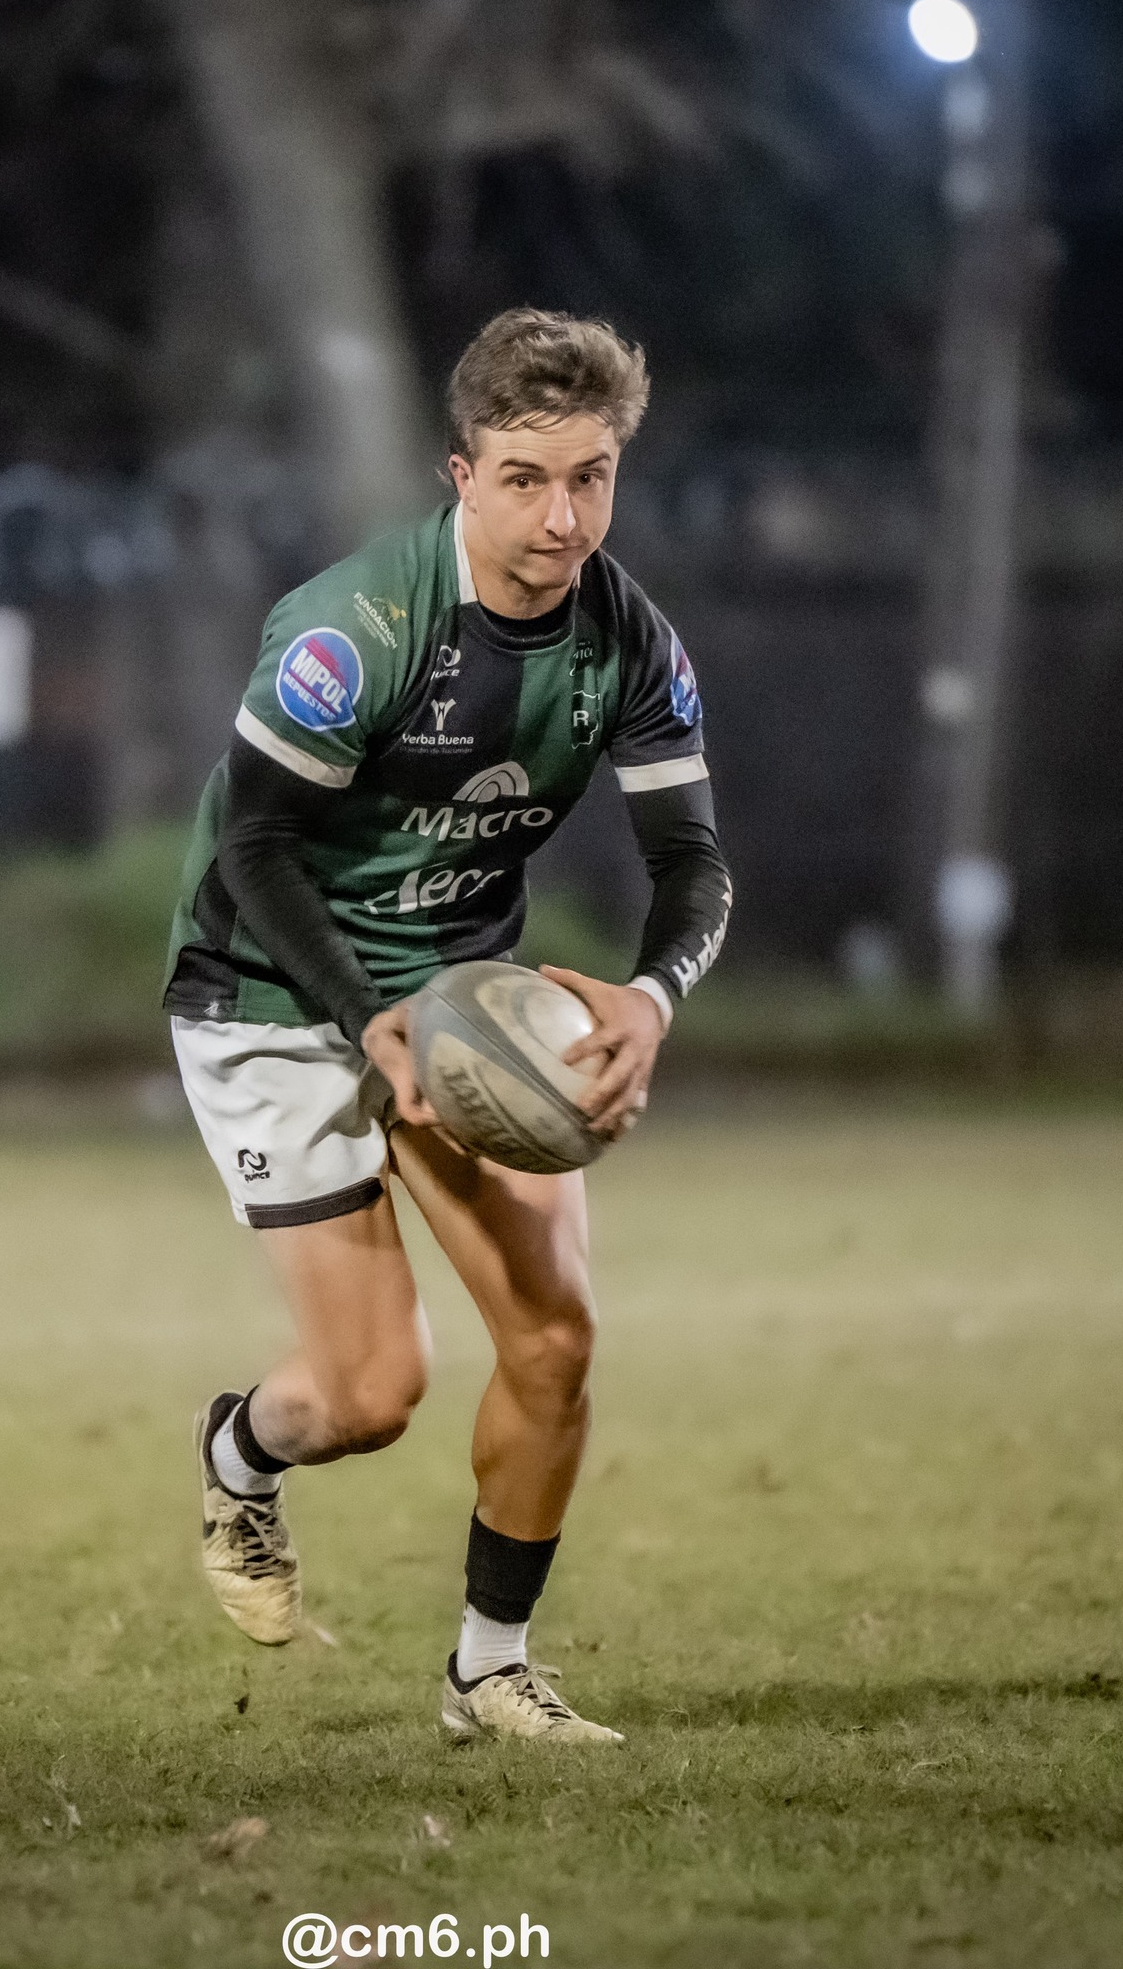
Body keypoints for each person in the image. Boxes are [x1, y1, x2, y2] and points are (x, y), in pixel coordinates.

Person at [162, 308, 732, 1743]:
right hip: (275, 993)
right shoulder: (354, 631)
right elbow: (254, 848)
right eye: (526, 479)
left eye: (592, 477)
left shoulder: (627, 640)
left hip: (462, 993)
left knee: (554, 1342)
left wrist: (650, 997)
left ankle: (489, 1672)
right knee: (371, 1395)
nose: (563, 518)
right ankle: (240, 1452)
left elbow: (691, 863)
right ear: (461, 474)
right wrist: (368, 1020)